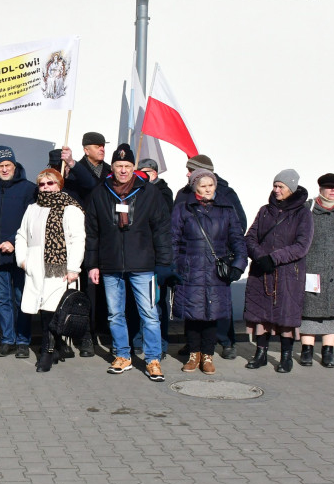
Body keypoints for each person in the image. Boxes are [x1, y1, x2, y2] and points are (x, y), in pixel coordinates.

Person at [84, 144, 172, 382]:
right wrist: (93, 264)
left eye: (127, 166)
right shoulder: (100, 192)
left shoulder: (149, 192)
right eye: (118, 166)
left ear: (134, 167)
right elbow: (92, 232)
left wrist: (164, 264)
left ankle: (153, 359)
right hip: (111, 264)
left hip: (143, 264)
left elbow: (162, 230)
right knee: (115, 314)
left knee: (150, 314)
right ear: (111, 168)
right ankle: (122, 355)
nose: (123, 170)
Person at [170, 168, 247, 375]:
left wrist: (238, 266)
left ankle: (208, 355)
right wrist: (175, 266)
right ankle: (193, 355)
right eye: (203, 186)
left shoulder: (226, 208)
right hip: (190, 269)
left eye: (211, 185)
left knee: (212, 315)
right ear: (195, 186)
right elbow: (173, 240)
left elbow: (237, 240)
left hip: (216, 271)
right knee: (192, 315)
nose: (207, 190)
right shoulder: (183, 208)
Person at [243, 169, 314, 373]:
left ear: (291, 188)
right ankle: (261, 354)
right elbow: (250, 237)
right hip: (261, 271)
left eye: (280, 186)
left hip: (287, 273)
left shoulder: (303, 213)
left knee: (286, 316)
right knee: (260, 315)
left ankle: (286, 356)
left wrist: (273, 258)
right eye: (274, 185)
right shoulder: (265, 210)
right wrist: (260, 256)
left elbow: (302, 245)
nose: (276, 190)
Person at [16, 168, 85, 372]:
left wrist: (73, 268)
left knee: (52, 311)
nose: (46, 188)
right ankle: (56, 348)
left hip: (60, 268)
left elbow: (77, 239)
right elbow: (21, 235)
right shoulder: (32, 208)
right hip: (35, 265)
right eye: (42, 184)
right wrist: (22, 260)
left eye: (50, 183)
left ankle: (47, 350)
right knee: (41, 309)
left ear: (59, 184)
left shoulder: (70, 208)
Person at [0, 145, 37, 358]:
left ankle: (23, 341)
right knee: (3, 299)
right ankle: (7, 340)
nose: (4, 169)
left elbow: (32, 223)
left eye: (8, 165)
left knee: (22, 298)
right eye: (0, 166)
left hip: (20, 254)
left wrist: (14, 242)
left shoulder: (29, 189)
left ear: (15, 165)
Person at [299, 173, 334, 368]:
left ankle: (327, 351)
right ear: (320, 188)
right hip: (310, 269)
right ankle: (306, 350)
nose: (333, 191)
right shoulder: (307, 208)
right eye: (329, 187)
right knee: (308, 311)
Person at [59, 132, 106, 357]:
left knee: (102, 292)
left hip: (102, 239)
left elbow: (96, 186)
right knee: (85, 292)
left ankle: (100, 332)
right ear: (86, 149)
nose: (102, 149)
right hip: (78, 240)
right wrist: (69, 167)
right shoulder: (70, 173)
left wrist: (73, 164)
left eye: (103, 146)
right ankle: (85, 335)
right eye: (97, 146)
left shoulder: (107, 170)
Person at [130, 157, 174, 357]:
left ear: (154, 174)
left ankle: (160, 344)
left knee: (157, 303)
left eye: (146, 172)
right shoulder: (135, 191)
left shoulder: (162, 192)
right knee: (138, 302)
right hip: (138, 256)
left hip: (157, 257)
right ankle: (138, 340)